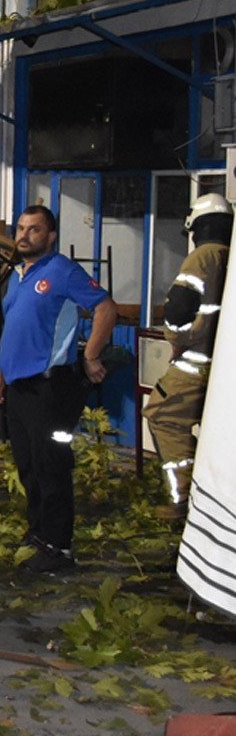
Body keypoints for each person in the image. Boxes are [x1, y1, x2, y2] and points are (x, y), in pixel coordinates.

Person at [0, 205, 117, 573]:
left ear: (51, 236)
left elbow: (106, 308)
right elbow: (14, 330)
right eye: (22, 229)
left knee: (52, 466)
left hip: (50, 388)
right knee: (27, 465)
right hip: (18, 388)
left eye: (35, 230)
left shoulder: (62, 271)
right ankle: (40, 532)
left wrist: (91, 355)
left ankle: (59, 547)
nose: (25, 235)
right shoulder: (17, 275)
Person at [144, 193, 231, 514]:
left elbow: (179, 309)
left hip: (196, 364)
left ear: (197, 225)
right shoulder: (230, 257)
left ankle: (185, 499)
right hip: (223, 367)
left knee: (162, 415)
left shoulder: (202, 257)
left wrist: (175, 339)